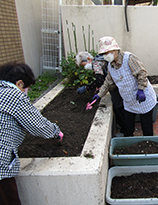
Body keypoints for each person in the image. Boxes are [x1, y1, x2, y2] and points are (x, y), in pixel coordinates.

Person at [0, 62, 64, 205]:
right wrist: (56, 132)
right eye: (27, 88)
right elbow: (38, 125)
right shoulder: (13, 95)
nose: (26, 91)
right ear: (20, 83)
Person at [92, 36, 157, 137]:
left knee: (147, 128)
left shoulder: (129, 58)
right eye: (103, 54)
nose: (105, 56)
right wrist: (99, 95)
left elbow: (142, 74)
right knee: (128, 129)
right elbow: (108, 82)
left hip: (143, 98)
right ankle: (129, 147)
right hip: (129, 102)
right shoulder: (111, 65)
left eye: (106, 53)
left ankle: (148, 146)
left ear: (114, 50)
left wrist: (141, 89)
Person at [75, 51, 125, 136]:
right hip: (116, 82)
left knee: (118, 106)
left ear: (88, 59)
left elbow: (99, 79)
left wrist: (87, 88)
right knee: (119, 105)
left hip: (115, 85)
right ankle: (122, 125)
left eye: (83, 65)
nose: (84, 67)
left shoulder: (96, 63)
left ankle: (124, 129)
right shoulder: (101, 60)